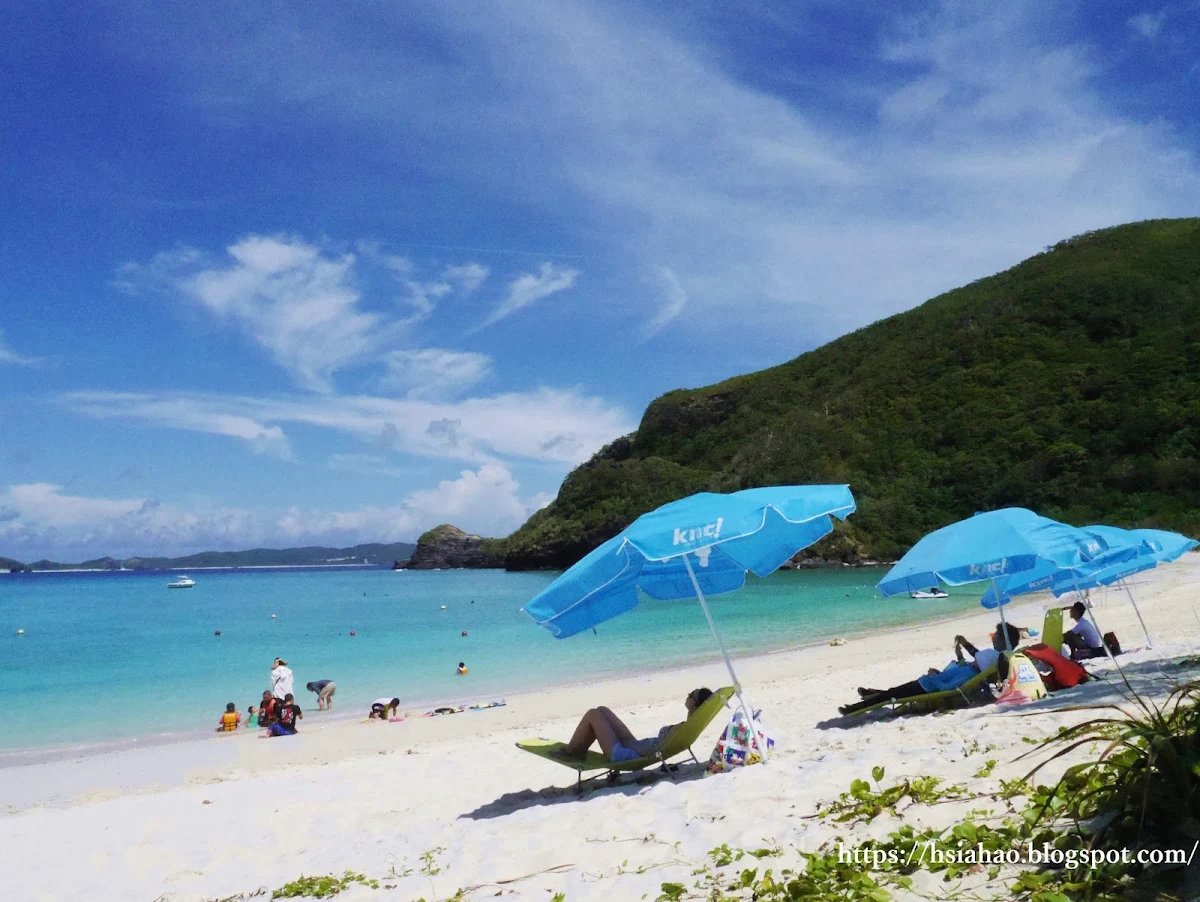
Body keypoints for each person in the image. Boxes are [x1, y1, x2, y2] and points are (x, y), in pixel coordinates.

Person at [838, 624, 1020, 716]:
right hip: (929, 682)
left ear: (1002, 640)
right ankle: (872, 694)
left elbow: (946, 688)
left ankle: (853, 709)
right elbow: (974, 659)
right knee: (893, 692)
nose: (993, 637)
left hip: (928, 685)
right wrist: (959, 654)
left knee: (892, 695)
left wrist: (935, 676)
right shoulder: (982, 665)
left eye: (996, 635)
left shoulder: (980, 665)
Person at [555, 688, 713, 763]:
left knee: (593, 714)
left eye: (691, 694)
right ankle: (578, 748)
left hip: (625, 754)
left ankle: (573, 752)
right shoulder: (687, 727)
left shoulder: (683, 729)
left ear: (694, 704)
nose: (687, 694)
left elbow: (654, 751)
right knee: (602, 710)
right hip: (631, 745)